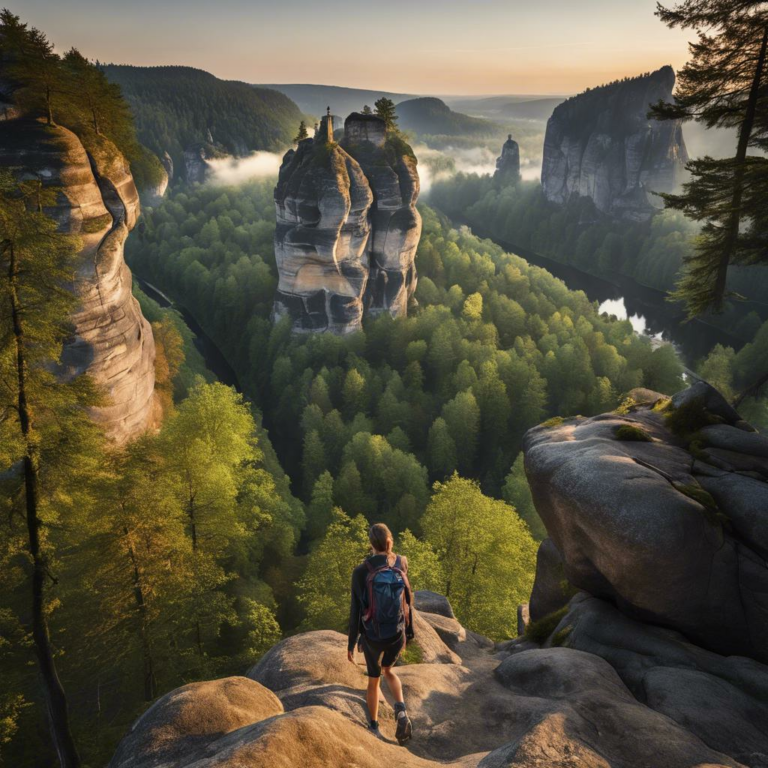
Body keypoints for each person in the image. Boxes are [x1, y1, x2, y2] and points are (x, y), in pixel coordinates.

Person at [348, 523, 414, 745]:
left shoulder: (360, 572)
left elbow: (356, 610)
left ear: (371, 544)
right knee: (389, 670)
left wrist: (351, 644)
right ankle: (401, 710)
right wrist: (409, 631)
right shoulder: (401, 562)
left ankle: (374, 726)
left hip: (373, 636)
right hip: (397, 633)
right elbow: (408, 599)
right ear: (390, 541)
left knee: (373, 681)